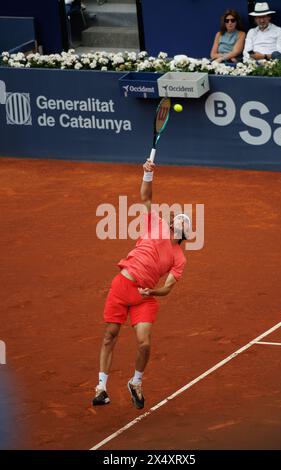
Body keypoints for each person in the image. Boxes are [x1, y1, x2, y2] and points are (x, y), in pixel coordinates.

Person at [92, 159, 191, 409]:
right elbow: (146, 196)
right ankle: (101, 387)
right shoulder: (155, 223)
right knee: (109, 336)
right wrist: (147, 174)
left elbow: (167, 288)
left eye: (185, 222)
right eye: (179, 220)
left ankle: (136, 382)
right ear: (171, 224)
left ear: (186, 233)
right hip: (122, 284)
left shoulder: (180, 258)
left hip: (145, 296)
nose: (181, 222)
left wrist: (152, 291)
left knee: (144, 343)